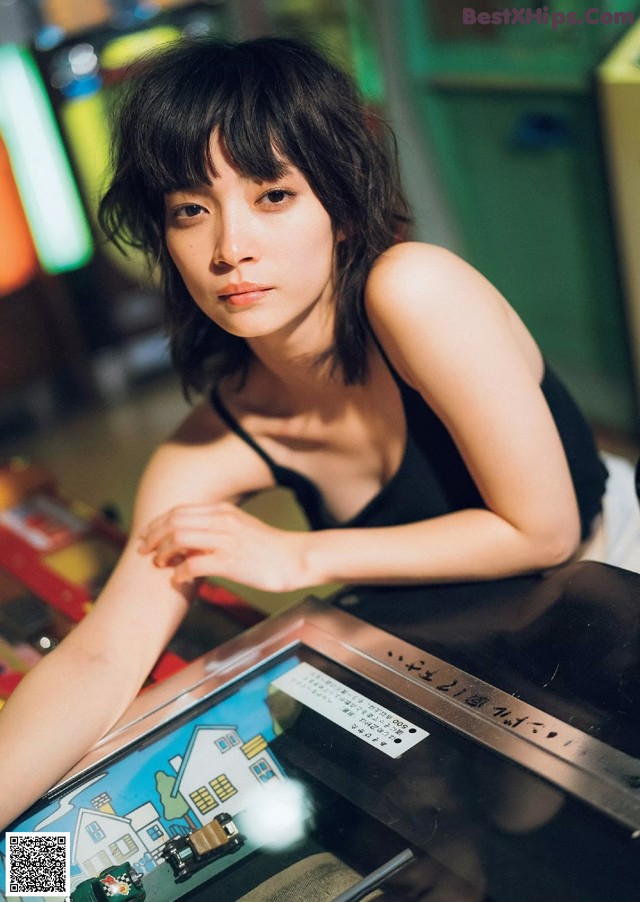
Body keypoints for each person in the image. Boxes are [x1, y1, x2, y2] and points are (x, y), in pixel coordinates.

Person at [0, 35, 607, 830]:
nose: (230, 248)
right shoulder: (210, 442)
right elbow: (105, 656)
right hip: (449, 640)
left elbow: (544, 532)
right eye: (191, 210)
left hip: (596, 579)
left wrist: (296, 556)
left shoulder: (416, 291)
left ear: (342, 210)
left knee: (526, 817)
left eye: (273, 195)